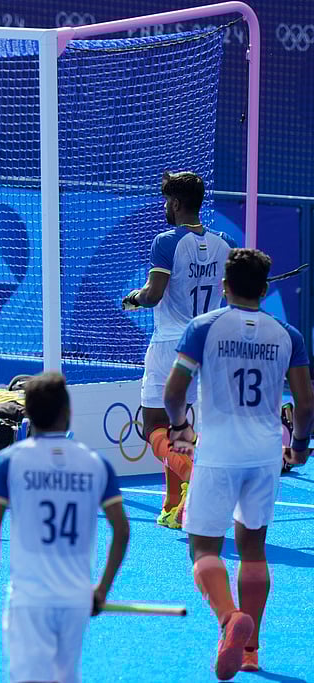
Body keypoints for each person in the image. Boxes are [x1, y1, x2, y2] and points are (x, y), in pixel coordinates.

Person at [164, 248, 312, 680]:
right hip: (265, 454)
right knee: (254, 548)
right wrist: (299, 447)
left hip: (219, 453)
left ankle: (229, 617)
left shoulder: (203, 328)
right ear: (265, 290)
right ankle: (250, 650)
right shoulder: (289, 335)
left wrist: (181, 429)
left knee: (204, 548)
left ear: (224, 286)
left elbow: (174, 393)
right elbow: (305, 403)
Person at [0, 372, 129, 683]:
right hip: (75, 599)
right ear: (68, 413)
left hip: (30, 599)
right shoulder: (96, 464)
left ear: (28, 414)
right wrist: (102, 589)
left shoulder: (7, 462)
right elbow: (122, 531)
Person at [121, 171, 235, 528]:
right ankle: (174, 506)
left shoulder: (165, 241)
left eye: (166, 202)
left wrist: (136, 298)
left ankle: (194, 474)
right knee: (177, 426)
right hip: (205, 345)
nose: (165, 208)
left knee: (151, 426)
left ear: (175, 203)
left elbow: (154, 295)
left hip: (171, 344)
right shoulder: (225, 242)